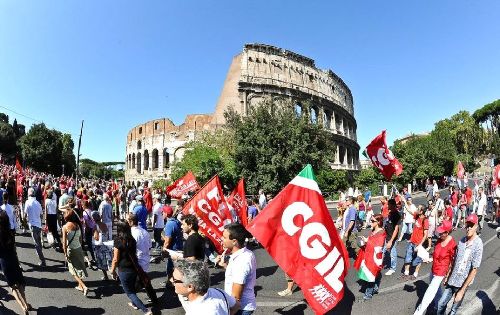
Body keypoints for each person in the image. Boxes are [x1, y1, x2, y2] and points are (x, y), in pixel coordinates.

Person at [436, 214, 483, 315]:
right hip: (452, 280)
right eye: (467, 225)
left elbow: (474, 269)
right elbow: (454, 260)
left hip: (462, 283)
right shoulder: (462, 241)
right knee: (440, 304)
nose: (468, 228)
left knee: (453, 310)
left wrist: (462, 290)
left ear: (476, 226)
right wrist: (448, 275)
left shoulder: (478, 244)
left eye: (471, 225)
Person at [413, 220, 456, 315]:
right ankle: (440, 308)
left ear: (447, 232)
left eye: (441, 232)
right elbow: (436, 253)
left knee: (429, 293)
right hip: (434, 269)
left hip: (441, 272)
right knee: (437, 291)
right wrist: (428, 258)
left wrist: (448, 276)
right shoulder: (439, 240)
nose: (439, 233)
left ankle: (418, 313)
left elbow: (453, 262)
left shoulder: (452, 244)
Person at [110, 221, 152, 314]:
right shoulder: (132, 239)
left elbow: (115, 259)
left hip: (123, 269)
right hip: (133, 267)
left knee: (130, 293)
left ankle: (145, 310)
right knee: (132, 289)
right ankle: (134, 303)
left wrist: (112, 271)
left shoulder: (117, 240)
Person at [173, 259, 240, 315]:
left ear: (190, 287)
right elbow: (236, 306)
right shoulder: (218, 292)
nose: (171, 281)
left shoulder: (199, 312)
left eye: (174, 280)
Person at [218, 223, 256, 315]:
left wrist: (229, 312)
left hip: (239, 309)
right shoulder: (244, 254)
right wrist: (225, 266)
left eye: (225, 237)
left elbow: (236, 297)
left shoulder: (242, 260)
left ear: (234, 241)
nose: (222, 239)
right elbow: (237, 274)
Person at [0, 211, 32, 315]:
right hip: (13, 258)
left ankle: (23, 307)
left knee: (12, 286)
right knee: (19, 283)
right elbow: (14, 248)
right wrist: (18, 262)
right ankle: (26, 303)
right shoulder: (10, 232)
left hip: (4, 262)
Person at [358, 214, 386, 300]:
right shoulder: (374, 230)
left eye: (373, 221)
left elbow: (378, 246)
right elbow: (372, 241)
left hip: (375, 257)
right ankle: (375, 288)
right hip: (369, 255)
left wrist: (367, 240)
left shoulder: (381, 232)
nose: (371, 222)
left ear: (378, 222)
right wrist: (366, 240)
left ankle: (368, 294)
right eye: (371, 220)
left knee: (371, 275)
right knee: (374, 273)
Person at [62, 209, 89, 297]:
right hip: (78, 248)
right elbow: (80, 239)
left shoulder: (65, 227)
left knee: (72, 270)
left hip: (71, 249)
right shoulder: (77, 225)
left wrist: (65, 253)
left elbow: (64, 243)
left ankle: (84, 286)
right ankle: (80, 285)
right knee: (79, 267)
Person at [400, 206, 428, 280]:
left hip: (418, 244)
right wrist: (404, 201)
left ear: (421, 211)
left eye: (418, 209)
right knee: (407, 257)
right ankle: (406, 273)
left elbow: (425, 235)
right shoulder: (416, 216)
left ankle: (415, 274)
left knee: (418, 259)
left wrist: (420, 245)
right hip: (412, 242)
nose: (416, 210)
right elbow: (409, 210)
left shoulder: (425, 220)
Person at [24, 187, 46, 266]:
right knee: (39, 242)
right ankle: (40, 256)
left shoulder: (27, 202)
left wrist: (25, 221)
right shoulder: (38, 203)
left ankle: (42, 260)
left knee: (36, 244)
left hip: (33, 225)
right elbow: (41, 214)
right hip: (38, 224)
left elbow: (25, 214)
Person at [163, 206, 184, 281]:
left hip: (173, 250)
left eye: (163, 212)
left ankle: (171, 283)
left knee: (171, 268)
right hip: (179, 247)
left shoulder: (170, 224)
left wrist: (164, 250)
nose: (162, 214)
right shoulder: (176, 221)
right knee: (176, 267)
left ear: (165, 213)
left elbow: (167, 240)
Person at [91, 211, 113, 280]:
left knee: (101, 262)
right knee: (109, 262)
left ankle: (106, 276)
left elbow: (96, 238)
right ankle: (115, 275)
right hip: (106, 245)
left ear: (93, 218)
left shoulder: (95, 226)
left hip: (99, 247)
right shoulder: (104, 224)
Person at [384, 199, 401, 276]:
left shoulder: (397, 215)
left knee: (392, 254)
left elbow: (396, 229)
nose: (387, 206)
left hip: (392, 238)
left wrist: (391, 241)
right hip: (386, 236)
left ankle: (393, 268)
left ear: (393, 205)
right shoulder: (390, 213)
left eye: (389, 204)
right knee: (382, 251)